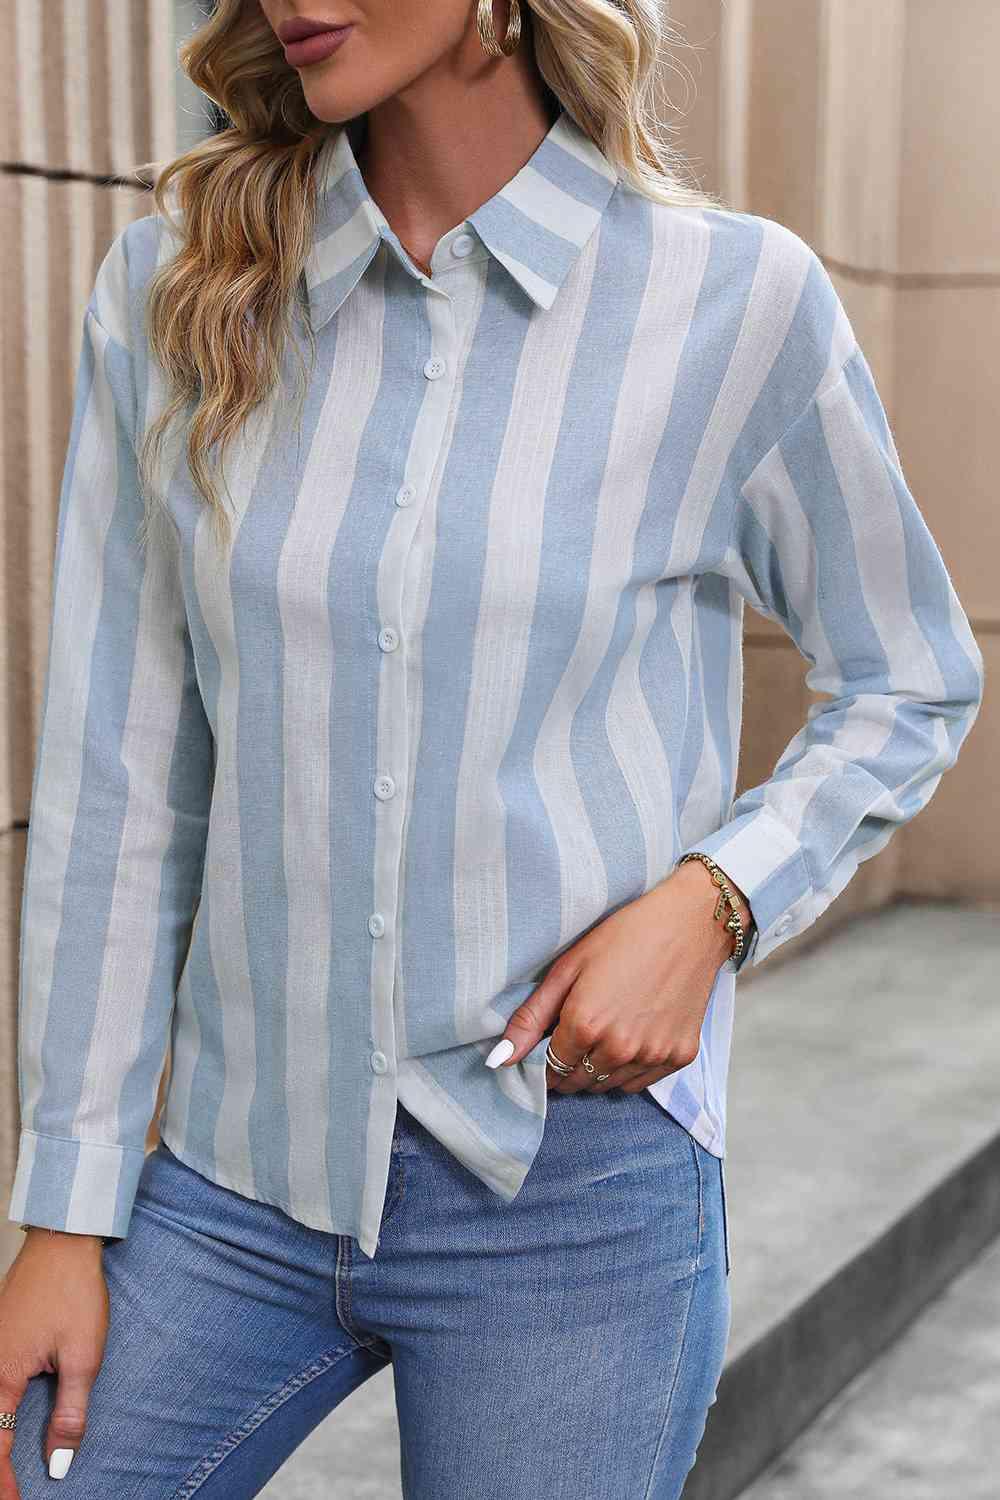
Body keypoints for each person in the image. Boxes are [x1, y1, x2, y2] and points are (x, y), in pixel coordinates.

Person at [1, 1, 984, 1496]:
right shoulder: (177, 291)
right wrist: (63, 1218)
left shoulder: (733, 300)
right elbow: (119, 785)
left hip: (572, 1197)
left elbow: (910, 677)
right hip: (229, 1179)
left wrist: (716, 899)